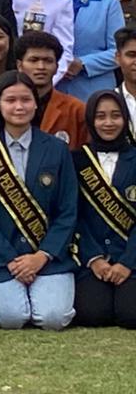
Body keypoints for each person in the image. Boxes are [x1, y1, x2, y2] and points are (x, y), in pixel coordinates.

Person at [0, 71, 78, 331]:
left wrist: (41, 256)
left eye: (25, 99)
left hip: (48, 256)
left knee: (53, 319)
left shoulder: (57, 149)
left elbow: (68, 212)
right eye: (10, 100)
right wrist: (14, 260)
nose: (18, 106)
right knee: (10, 318)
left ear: (36, 103)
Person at [71, 89, 136, 327]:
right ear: (90, 120)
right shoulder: (76, 160)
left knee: (131, 316)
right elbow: (73, 216)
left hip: (131, 258)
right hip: (91, 259)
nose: (108, 123)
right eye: (100, 116)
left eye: (115, 115)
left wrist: (128, 262)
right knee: (92, 314)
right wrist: (95, 258)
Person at [59, 0, 125, 102]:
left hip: (96, 92)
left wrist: (82, 64)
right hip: (57, 88)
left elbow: (118, 51)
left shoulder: (109, 3)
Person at [16, 30, 87, 149]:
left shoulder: (76, 110)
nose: (41, 67)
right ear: (19, 65)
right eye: (33, 60)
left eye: (48, 61)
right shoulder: (6, 107)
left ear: (57, 67)